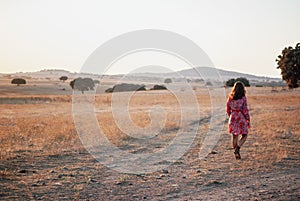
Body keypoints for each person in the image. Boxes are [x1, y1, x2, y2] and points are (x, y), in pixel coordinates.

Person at [226, 81, 250, 159]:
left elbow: (228, 109)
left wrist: (231, 115)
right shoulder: (243, 98)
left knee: (234, 136)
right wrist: (247, 119)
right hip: (240, 117)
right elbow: (245, 110)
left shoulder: (230, 98)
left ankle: (236, 152)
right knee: (245, 134)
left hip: (233, 117)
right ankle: (238, 148)